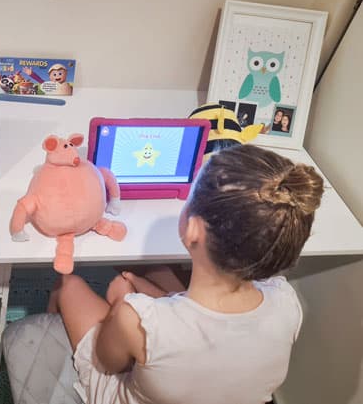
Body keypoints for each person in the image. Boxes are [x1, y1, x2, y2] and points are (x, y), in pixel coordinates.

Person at [45, 144, 324, 404]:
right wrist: (154, 300)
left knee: (69, 285)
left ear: (193, 230)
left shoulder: (134, 317)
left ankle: (45, 333)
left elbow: (108, 362)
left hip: (126, 385)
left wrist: (122, 303)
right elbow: (205, 331)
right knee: (159, 272)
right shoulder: (287, 302)